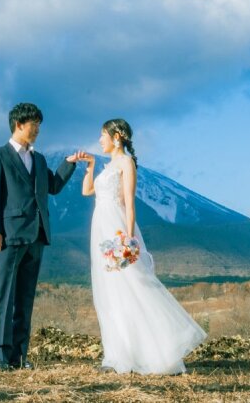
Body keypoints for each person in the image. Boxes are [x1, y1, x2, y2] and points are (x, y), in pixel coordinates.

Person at [81, 118, 207, 374]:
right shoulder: (107, 165)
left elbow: (129, 202)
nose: (100, 140)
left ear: (116, 136)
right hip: (100, 229)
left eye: (103, 135)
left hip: (115, 227)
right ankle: (117, 355)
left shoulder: (126, 163)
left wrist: (127, 239)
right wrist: (91, 166)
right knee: (110, 292)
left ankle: (156, 349)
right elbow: (87, 191)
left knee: (132, 286)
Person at [0, 102, 88, 370]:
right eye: (35, 124)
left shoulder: (39, 159)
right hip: (8, 237)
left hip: (37, 236)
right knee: (2, 297)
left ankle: (18, 357)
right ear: (19, 124)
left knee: (25, 299)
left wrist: (68, 163)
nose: (38, 129)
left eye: (40, 124)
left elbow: (52, 186)